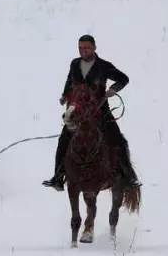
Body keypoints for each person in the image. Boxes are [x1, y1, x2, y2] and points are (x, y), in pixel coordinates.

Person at [42, 34, 141, 191]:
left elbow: (123, 78)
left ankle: (129, 177)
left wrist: (113, 89)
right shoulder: (74, 64)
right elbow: (70, 82)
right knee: (63, 140)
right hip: (78, 112)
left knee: (119, 141)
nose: (83, 51)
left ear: (94, 48)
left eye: (86, 47)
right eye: (80, 48)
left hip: (100, 111)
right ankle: (58, 177)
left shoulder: (104, 66)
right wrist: (65, 95)